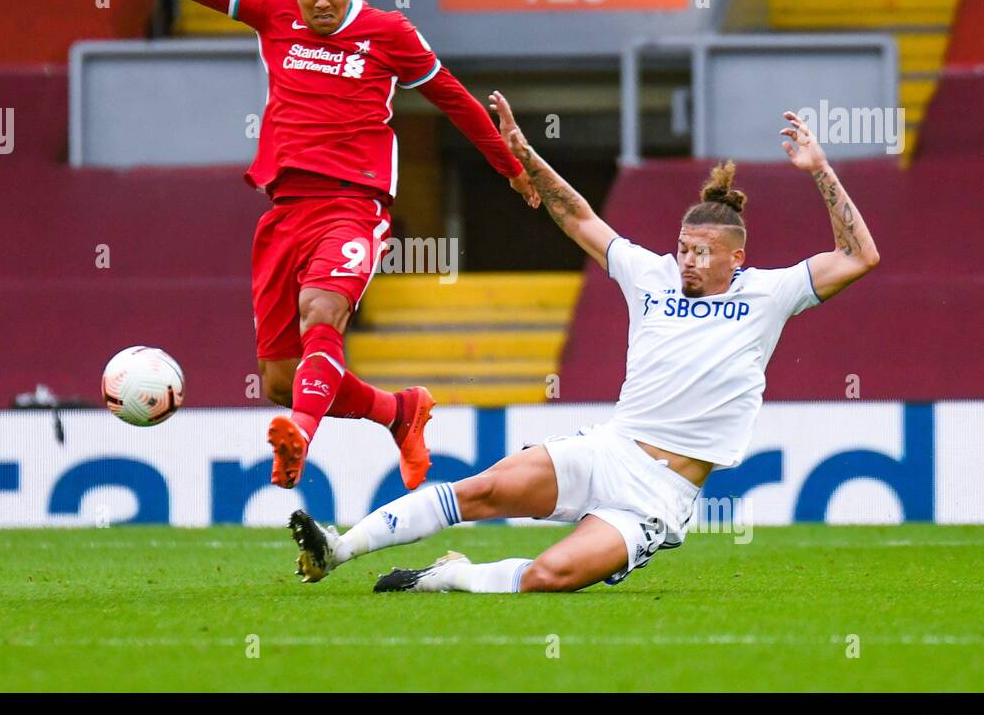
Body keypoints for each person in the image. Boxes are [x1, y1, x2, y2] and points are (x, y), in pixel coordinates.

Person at [288, 91, 879, 592]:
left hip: (660, 495)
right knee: (483, 489)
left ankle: (451, 576)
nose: (688, 261)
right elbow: (578, 217)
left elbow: (860, 256)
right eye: (683, 248)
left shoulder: (770, 295)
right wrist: (527, 156)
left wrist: (820, 170)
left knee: (551, 577)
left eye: (702, 253)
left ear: (736, 257)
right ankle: (336, 549)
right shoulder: (651, 275)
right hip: (609, 450)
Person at [74, 0, 539, 490]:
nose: (321, 1)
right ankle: (399, 413)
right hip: (284, 212)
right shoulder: (273, 12)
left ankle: (299, 436)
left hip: (353, 205)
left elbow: (455, 100)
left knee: (322, 312)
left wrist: (510, 167)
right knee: (278, 378)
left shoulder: (389, 33)